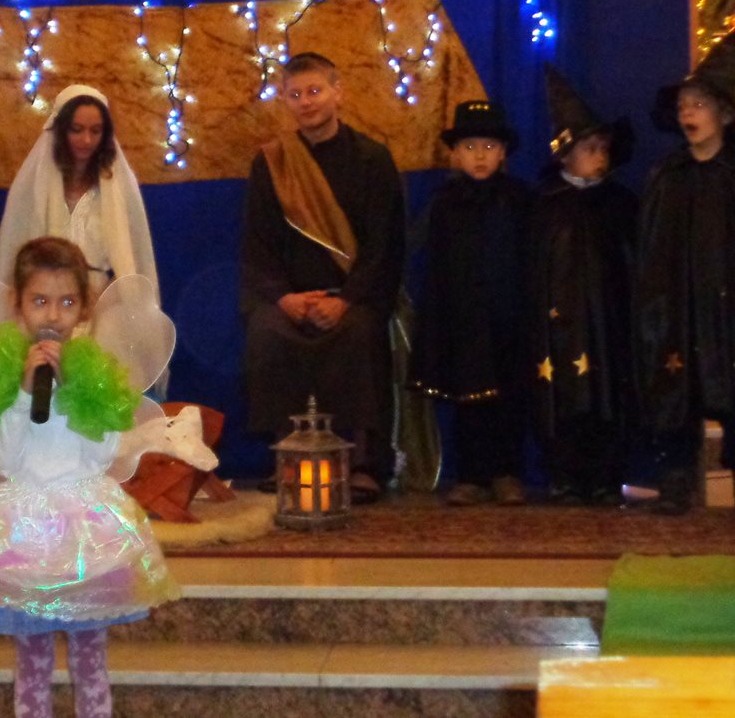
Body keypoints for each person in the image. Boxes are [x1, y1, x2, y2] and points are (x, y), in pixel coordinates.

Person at [0, 237, 178, 717]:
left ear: (84, 308)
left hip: (86, 529)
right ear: (18, 305)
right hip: (26, 531)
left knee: (90, 658)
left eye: (66, 303)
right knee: (32, 661)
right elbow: (4, 458)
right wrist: (25, 393)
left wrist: (75, 394)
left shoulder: (94, 372)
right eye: (40, 301)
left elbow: (104, 452)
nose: (53, 315)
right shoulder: (5, 371)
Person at [240, 52, 405, 502]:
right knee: (267, 332)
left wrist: (346, 299)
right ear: (285, 101)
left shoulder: (372, 159)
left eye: (315, 91)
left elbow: (384, 246)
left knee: (359, 333)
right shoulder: (271, 163)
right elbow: (257, 244)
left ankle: (364, 465)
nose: (306, 102)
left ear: (338, 92)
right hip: (291, 299)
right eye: (295, 94)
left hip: (353, 298)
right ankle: (287, 460)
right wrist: (283, 298)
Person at [410, 100, 531, 506]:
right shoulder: (445, 203)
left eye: (489, 147)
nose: (480, 156)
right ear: (456, 154)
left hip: (509, 315)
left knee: (510, 398)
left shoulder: (519, 199)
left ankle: (507, 473)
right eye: (470, 147)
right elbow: (435, 263)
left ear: (504, 153)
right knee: (468, 400)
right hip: (462, 317)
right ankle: (471, 475)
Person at [634, 33, 735, 514]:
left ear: (724, 115)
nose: (688, 114)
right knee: (676, 386)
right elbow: (652, 244)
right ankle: (674, 476)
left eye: (699, 105)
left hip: (726, 302)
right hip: (677, 302)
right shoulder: (667, 176)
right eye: (682, 107)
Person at [529, 66, 638, 505]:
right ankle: (565, 475)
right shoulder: (544, 206)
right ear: (565, 155)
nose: (599, 157)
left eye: (604, 149)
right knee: (561, 396)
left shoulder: (620, 204)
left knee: (607, 395)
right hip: (557, 327)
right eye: (589, 149)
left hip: (607, 322)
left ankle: (606, 477)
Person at [0, 85, 158, 303]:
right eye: (77, 130)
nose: (87, 140)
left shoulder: (117, 189)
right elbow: (14, 260)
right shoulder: (34, 186)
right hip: (42, 304)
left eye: (95, 131)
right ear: (61, 131)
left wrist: (104, 304)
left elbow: (134, 263)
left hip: (102, 306)